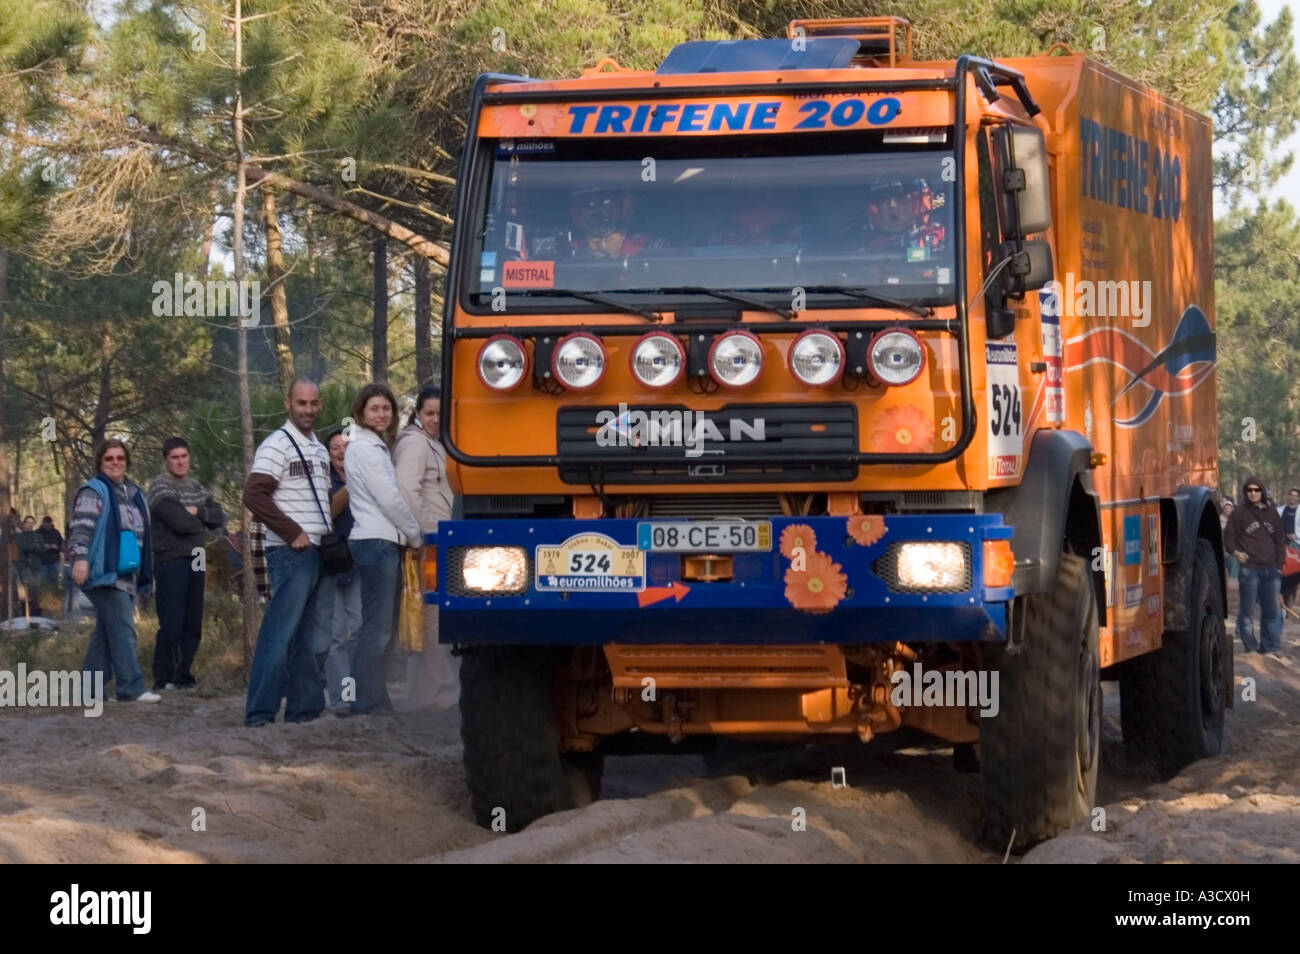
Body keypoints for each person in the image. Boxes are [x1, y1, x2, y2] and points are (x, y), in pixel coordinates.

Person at [242, 378, 334, 726]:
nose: (308, 410)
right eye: (301, 403)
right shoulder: (276, 445)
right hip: (290, 551)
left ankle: (304, 710)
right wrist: (292, 531)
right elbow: (253, 495)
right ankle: (259, 714)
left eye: (313, 403)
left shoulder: (320, 450)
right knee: (278, 634)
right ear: (288, 403)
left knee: (308, 637)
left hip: (317, 552)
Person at [344, 383, 422, 715]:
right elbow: (389, 499)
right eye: (374, 408)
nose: (382, 414)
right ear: (360, 413)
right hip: (375, 542)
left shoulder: (375, 446)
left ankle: (375, 697)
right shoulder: (363, 448)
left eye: (386, 408)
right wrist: (416, 536)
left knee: (383, 627)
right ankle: (365, 701)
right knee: (376, 627)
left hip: (382, 542)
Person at [69, 440, 160, 703]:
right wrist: (80, 559)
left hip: (127, 572)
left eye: (120, 457)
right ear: (100, 462)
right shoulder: (93, 491)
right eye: (109, 458)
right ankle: (130, 688)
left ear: (127, 462)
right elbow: (81, 528)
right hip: (102, 572)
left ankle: (89, 691)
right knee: (123, 629)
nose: (115, 462)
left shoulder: (134, 493)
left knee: (106, 633)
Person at [394, 386, 459, 710]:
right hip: (429, 542)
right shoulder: (415, 444)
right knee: (432, 621)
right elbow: (407, 489)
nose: (435, 419)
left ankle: (422, 694)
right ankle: (438, 693)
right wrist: (424, 535)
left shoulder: (434, 444)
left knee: (431, 619)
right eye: (429, 413)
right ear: (418, 413)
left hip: (439, 539)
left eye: (439, 414)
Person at [146, 437, 225, 691]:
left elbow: (220, 517)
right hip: (171, 558)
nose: (180, 461)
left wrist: (198, 512)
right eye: (174, 457)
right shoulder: (160, 487)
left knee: (193, 619)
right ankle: (164, 677)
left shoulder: (196, 486)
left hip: (197, 557)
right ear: (165, 460)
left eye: (184, 456)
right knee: (172, 620)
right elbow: (180, 523)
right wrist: (197, 518)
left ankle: (183, 674)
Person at [315, 427, 361, 716]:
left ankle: (358, 693)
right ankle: (341, 698)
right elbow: (328, 511)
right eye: (335, 448)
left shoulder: (366, 476)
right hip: (332, 564)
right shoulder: (323, 479)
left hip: (359, 564)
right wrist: (351, 484)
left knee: (359, 631)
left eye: (346, 446)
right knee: (335, 637)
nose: (341, 451)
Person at [1224, 475, 1286, 656]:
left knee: (1271, 611)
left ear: (1262, 491)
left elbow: (1280, 540)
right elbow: (1228, 538)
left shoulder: (1272, 513)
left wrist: (1279, 566)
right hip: (1249, 569)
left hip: (1271, 569)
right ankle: (1250, 647)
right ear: (1245, 492)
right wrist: (1235, 553)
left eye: (1256, 490)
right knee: (1247, 610)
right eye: (1249, 490)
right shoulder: (1239, 513)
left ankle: (1270, 648)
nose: (1253, 493)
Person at [15, 516, 45, 617]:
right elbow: (23, 547)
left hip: (36, 565)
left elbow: (42, 550)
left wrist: (34, 547)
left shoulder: (38, 536)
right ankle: (28, 606)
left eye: (32, 523)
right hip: (24, 565)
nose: (30, 525)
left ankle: (33, 608)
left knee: (36, 587)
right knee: (31, 584)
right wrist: (34, 546)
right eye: (28, 522)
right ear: (24, 524)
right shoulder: (20, 536)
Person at [38, 516, 63, 588]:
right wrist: (43, 546)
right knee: (43, 583)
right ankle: (43, 598)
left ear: (51, 523)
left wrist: (56, 547)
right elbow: (34, 547)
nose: (47, 525)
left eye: (49, 523)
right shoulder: (37, 533)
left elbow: (62, 545)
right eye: (45, 523)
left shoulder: (56, 532)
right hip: (42, 562)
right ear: (43, 523)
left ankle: (54, 597)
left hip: (54, 561)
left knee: (54, 582)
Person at [1221, 499, 1238, 579]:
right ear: (1223, 509)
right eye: (1226, 508)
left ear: (1232, 509)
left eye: (1229, 508)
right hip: (1222, 549)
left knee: (1233, 568)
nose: (1228, 509)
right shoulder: (1219, 520)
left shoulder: (1236, 520)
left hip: (1232, 549)